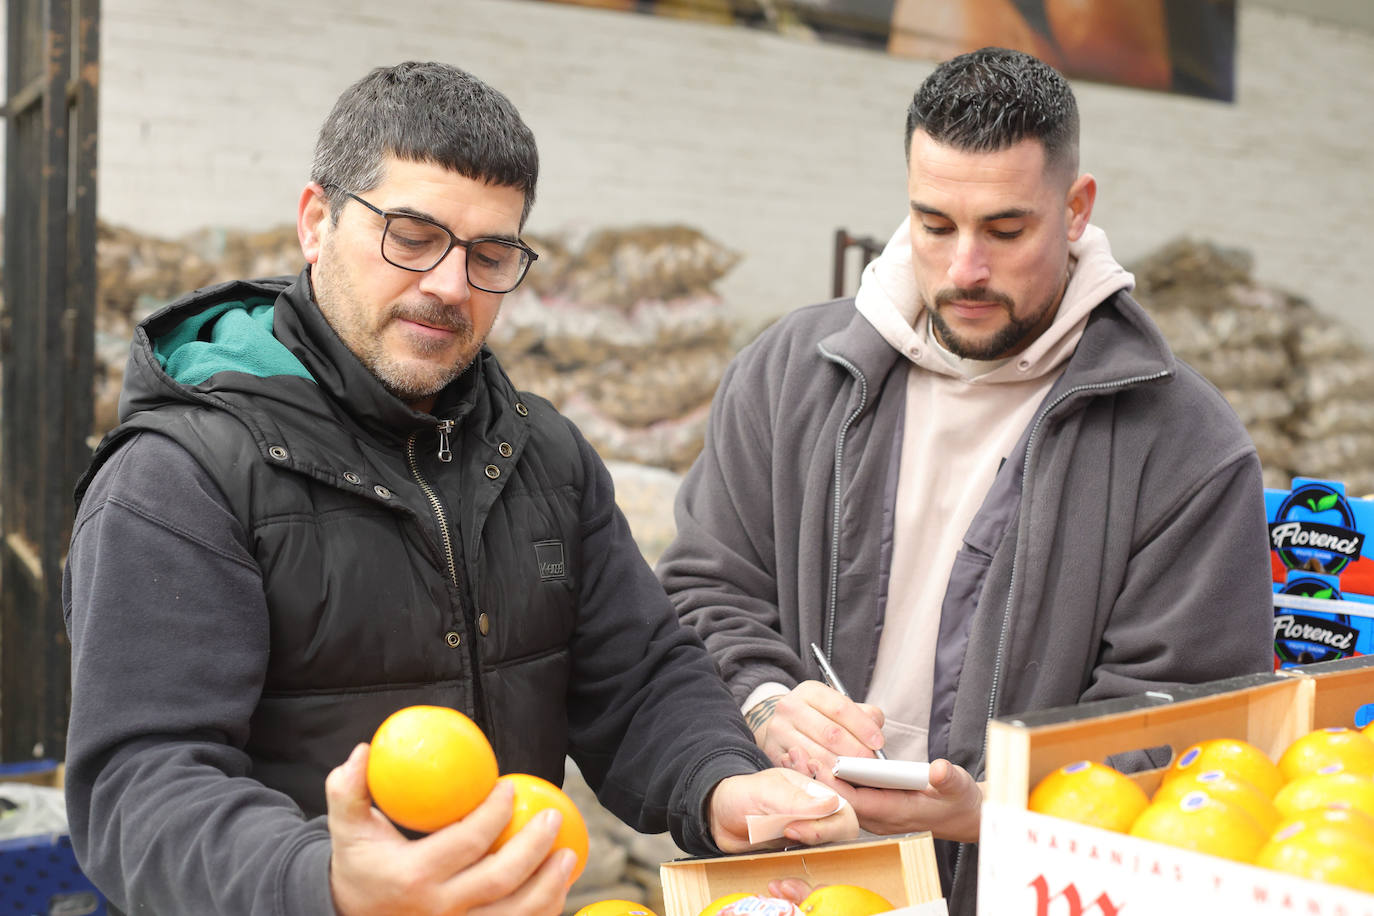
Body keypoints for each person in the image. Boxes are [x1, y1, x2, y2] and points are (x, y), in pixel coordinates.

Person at [62, 61, 857, 916]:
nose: (449, 285)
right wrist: (325, 881)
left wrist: (720, 784)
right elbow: (139, 785)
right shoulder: (180, 477)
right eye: (411, 235)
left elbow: (639, 678)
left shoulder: (543, 454)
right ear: (316, 222)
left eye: (490, 254)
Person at [657, 46, 1273, 913]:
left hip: (1019, 891)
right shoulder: (791, 372)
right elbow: (703, 587)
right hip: (793, 880)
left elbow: (1188, 721)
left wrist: (988, 812)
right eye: (934, 225)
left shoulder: (1185, 448)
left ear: (1076, 210)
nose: (964, 270)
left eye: (1006, 230)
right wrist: (765, 703)